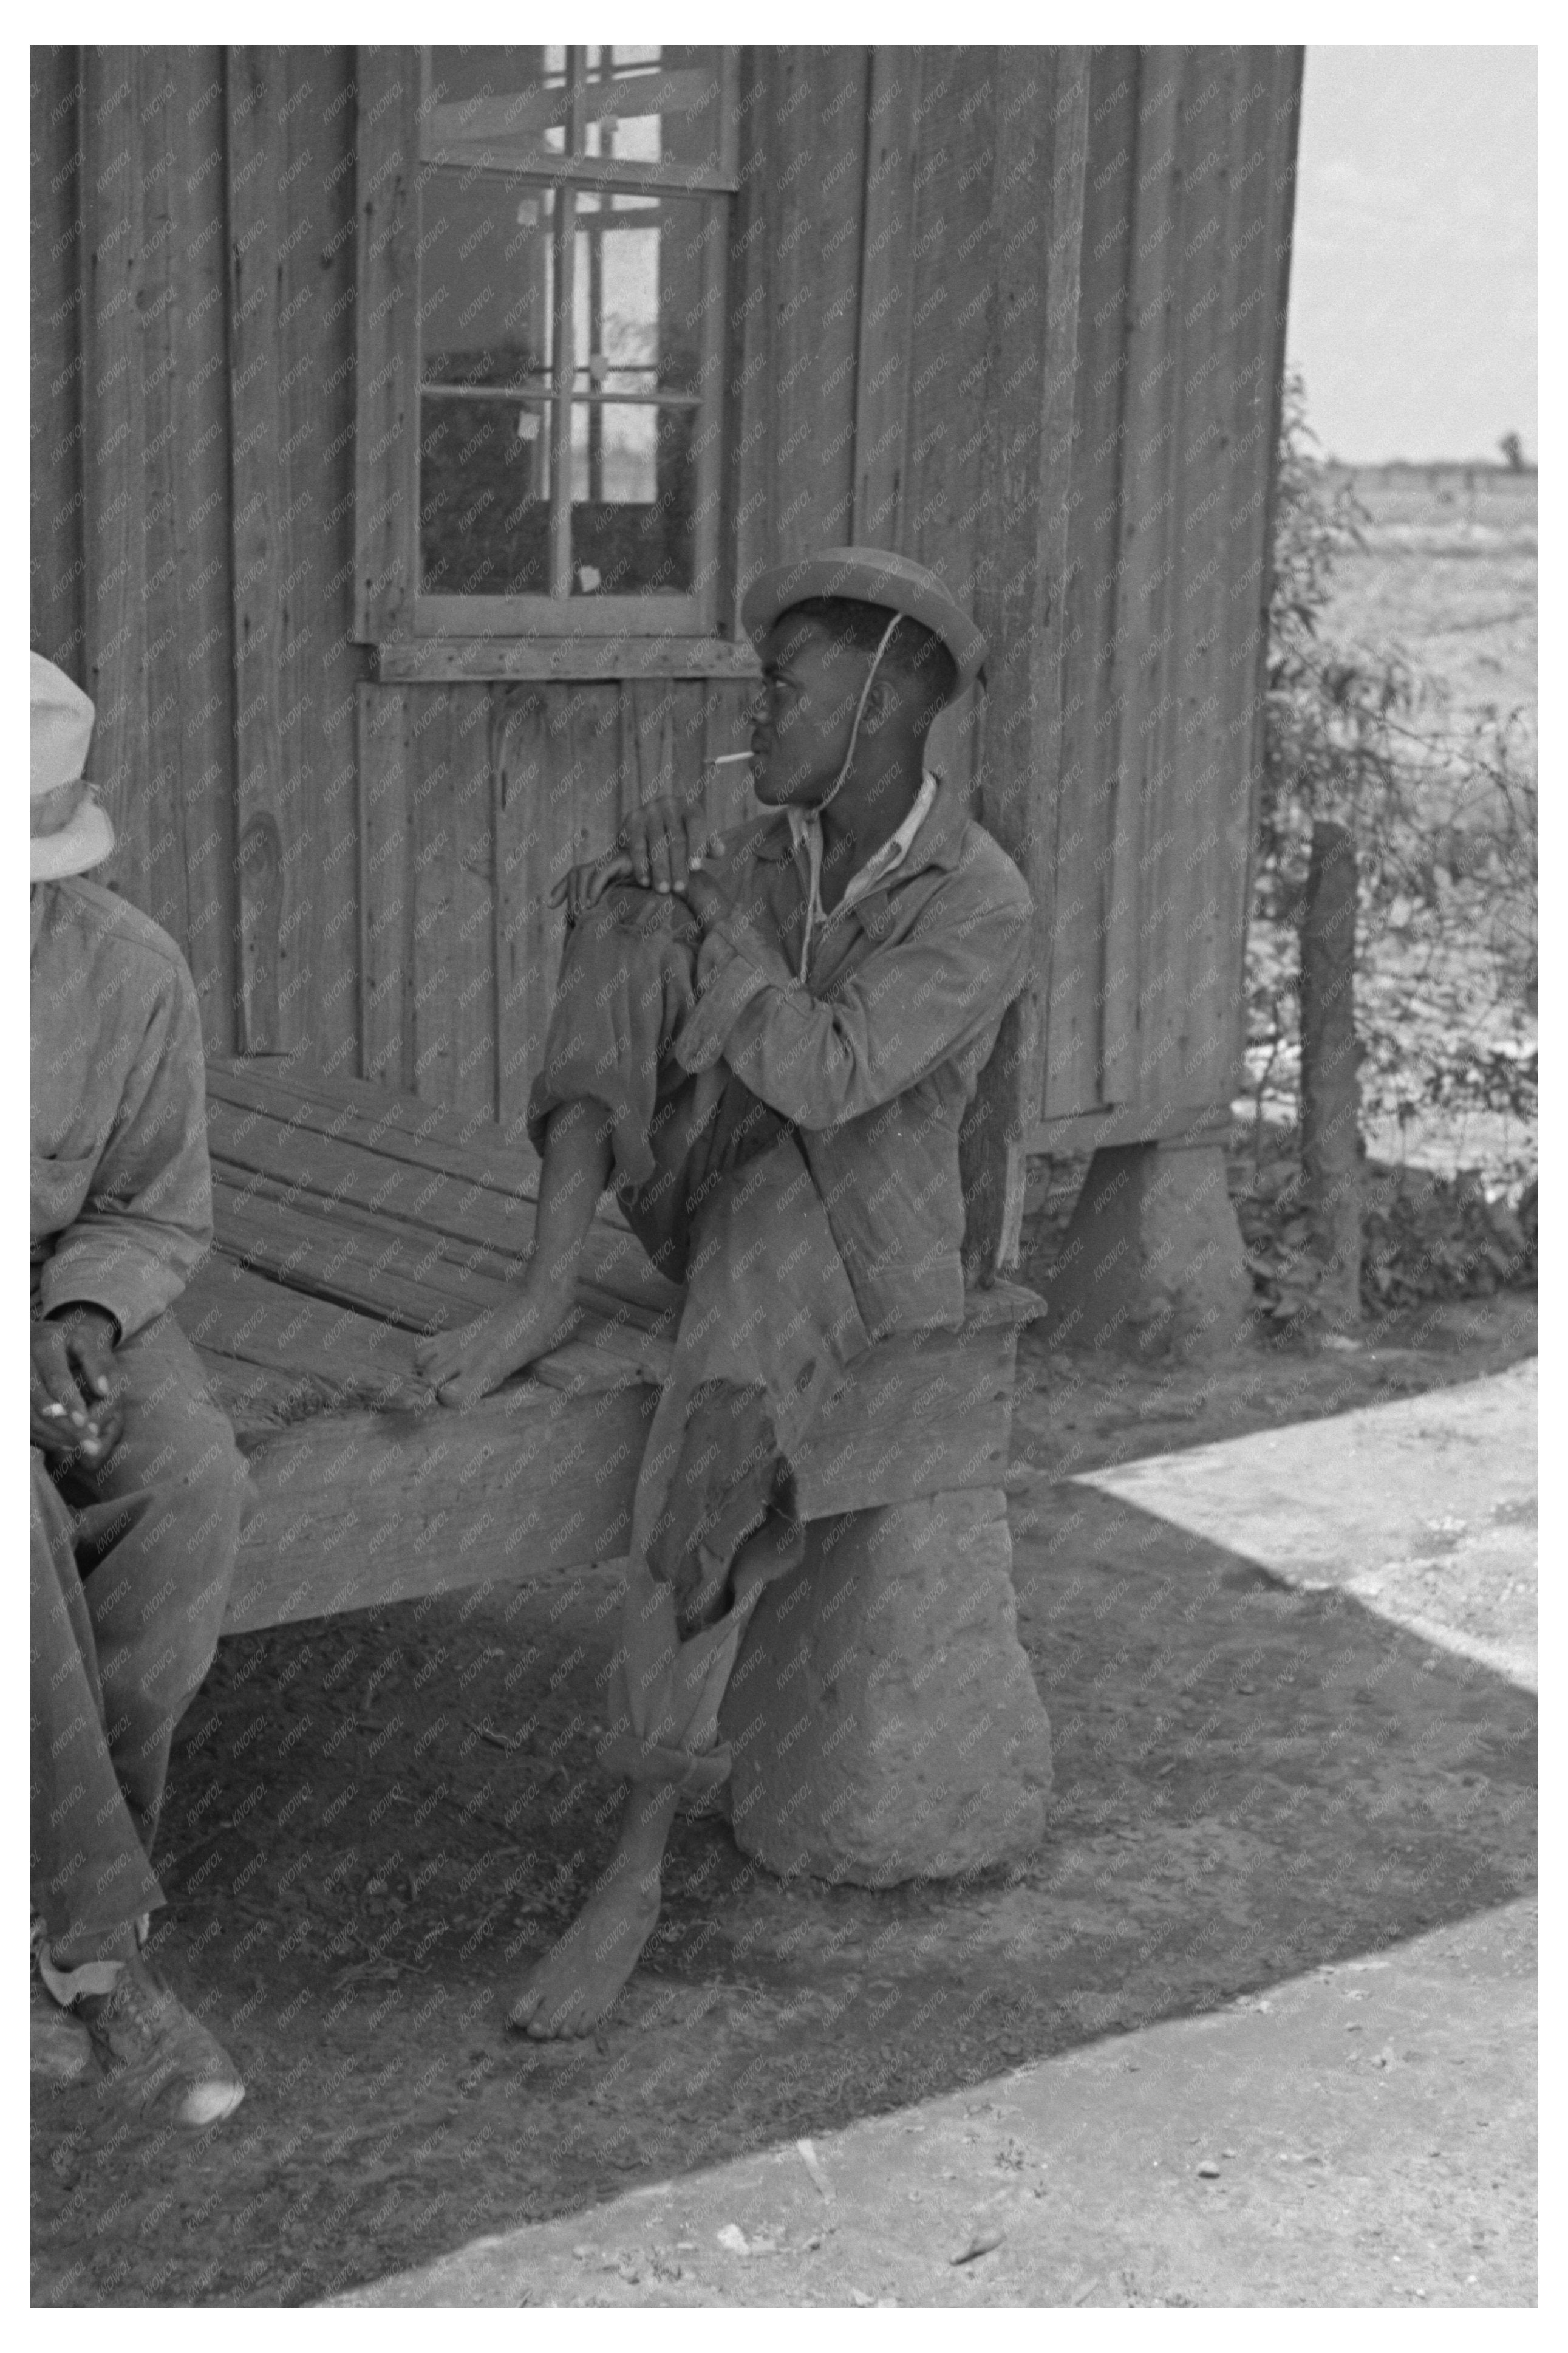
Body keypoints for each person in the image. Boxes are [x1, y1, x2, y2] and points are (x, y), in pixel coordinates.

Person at [415, 548, 1034, 2039]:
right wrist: (640, 894)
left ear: (881, 707)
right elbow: (686, 1000)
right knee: (628, 911)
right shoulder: (765, 846)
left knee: (717, 1428)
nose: (753, 714)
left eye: (781, 689)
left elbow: (829, 1073)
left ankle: (637, 1855)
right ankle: (546, 1290)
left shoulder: (978, 899)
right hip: (723, 1185)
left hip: (857, 1239)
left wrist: (726, 933)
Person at [30, 653, 250, 2126]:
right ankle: (101, 1952)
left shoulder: (128, 968)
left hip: (62, 1285)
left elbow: (155, 1205)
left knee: (190, 1481)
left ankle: (41, 1921)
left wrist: (83, 1310)